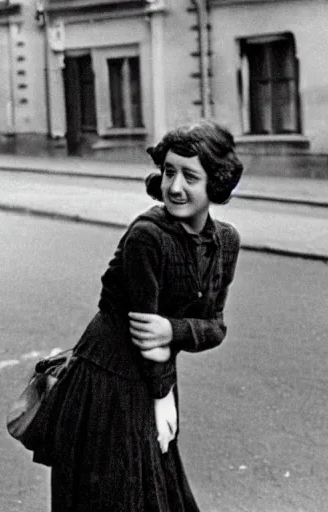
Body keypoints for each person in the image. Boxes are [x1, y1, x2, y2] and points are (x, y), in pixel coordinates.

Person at [38, 120, 243, 511]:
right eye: (169, 172)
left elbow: (215, 327)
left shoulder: (226, 242)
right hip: (108, 381)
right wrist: (163, 394)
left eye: (189, 176)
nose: (175, 187)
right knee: (119, 496)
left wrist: (174, 329)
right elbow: (144, 334)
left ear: (215, 184)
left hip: (152, 378)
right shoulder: (148, 236)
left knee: (154, 494)